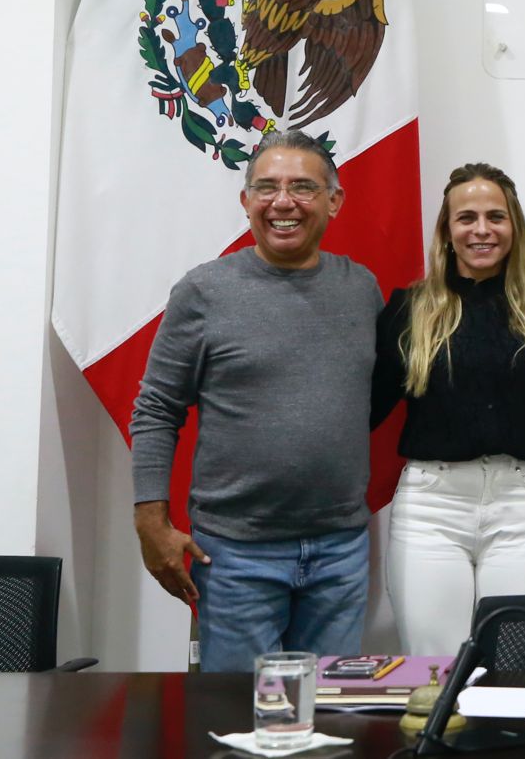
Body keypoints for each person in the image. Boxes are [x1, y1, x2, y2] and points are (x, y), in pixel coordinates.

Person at [129, 128, 383, 672]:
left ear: (334, 201)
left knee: (329, 711)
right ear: (246, 201)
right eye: (267, 187)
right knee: (235, 713)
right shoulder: (204, 292)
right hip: (235, 555)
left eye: (303, 187)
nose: (283, 202)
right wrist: (151, 522)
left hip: (340, 550)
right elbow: (156, 409)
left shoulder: (361, 290)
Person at [371, 163, 525, 656]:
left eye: (495, 217)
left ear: (514, 227)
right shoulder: (409, 310)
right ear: (447, 230)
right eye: (466, 218)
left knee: (515, 665)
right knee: (435, 671)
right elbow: (364, 410)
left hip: (523, 505)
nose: (482, 230)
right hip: (431, 508)